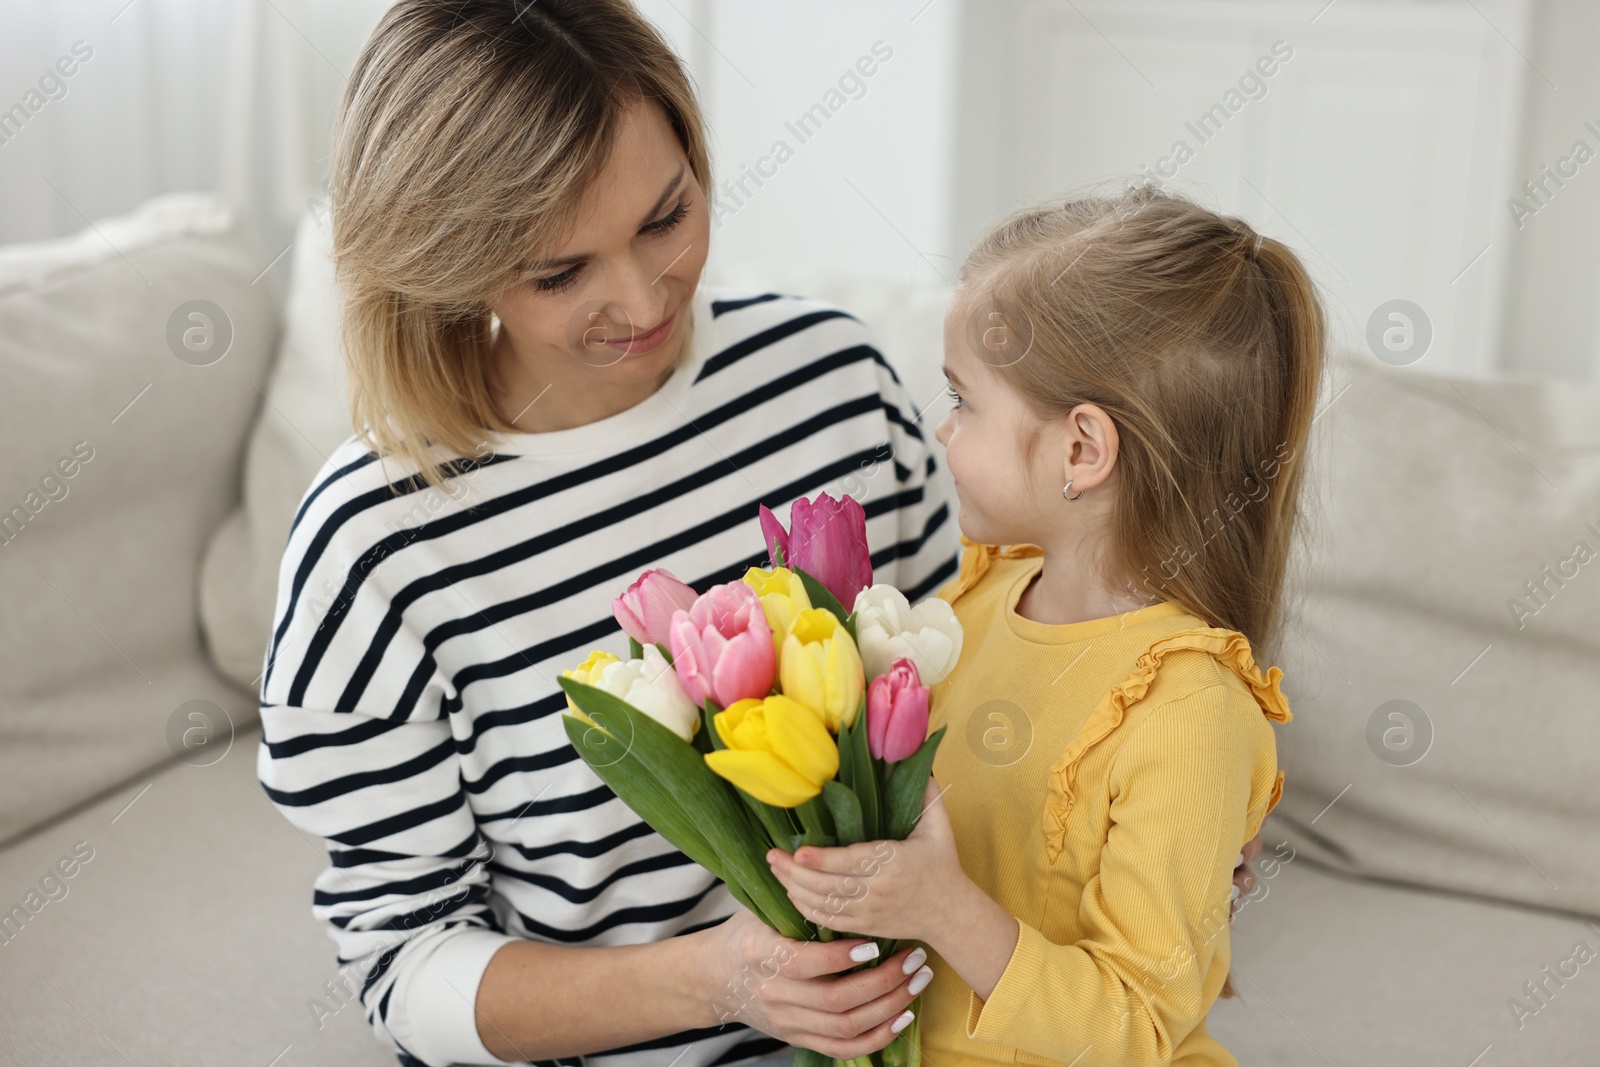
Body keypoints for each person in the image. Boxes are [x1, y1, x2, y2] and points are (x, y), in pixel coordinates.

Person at [254, 2, 956, 1065]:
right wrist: (724, 980)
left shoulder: (836, 384)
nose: (639, 298)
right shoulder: (374, 543)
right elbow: (407, 966)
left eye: (665, 216)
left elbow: (981, 695)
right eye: (557, 272)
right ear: (446, 267)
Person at [765, 184, 1324, 1065]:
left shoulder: (1187, 712)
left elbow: (1140, 1027)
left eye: (965, 401)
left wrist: (942, 908)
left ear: (1081, 450)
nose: (941, 429)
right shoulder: (980, 600)